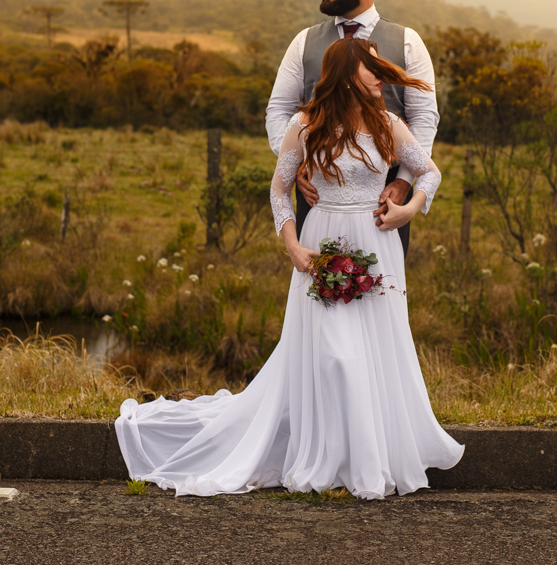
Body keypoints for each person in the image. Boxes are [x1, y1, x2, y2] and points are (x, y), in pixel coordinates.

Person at [115, 38, 464, 499]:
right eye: (372, 68)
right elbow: (279, 189)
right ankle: (330, 456)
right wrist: (293, 247)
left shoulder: (389, 124)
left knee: (374, 348)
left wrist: (409, 209)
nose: (382, 76)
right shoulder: (305, 125)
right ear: (346, 74)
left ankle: (366, 458)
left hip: (377, 243)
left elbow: (431, 172)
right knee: (335, 354)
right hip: (321, 242)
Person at [265, 0, 439, 257]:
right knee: (318, 276)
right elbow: (279, 109)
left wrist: (404, 181)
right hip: (317, 188)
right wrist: (298, 164)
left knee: (380, 278)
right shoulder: (303, 41)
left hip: (385, 192)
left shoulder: (407, 41)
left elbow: (424, 117)